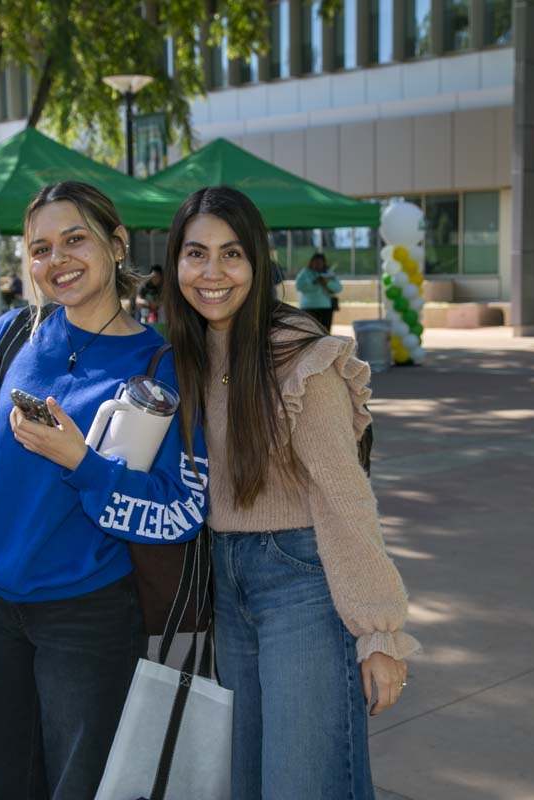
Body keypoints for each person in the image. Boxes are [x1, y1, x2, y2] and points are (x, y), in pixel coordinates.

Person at [0, 181, 207, 800]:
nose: (56, 261)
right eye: (40, 248)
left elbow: (178, 507)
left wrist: (84, 462)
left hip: (89, 612)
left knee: (83, 784)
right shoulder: (8, 339)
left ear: (116, 243)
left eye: (75, 240)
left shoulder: (165, 365)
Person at [162, 186, 419, 800]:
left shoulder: (299, 355)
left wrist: (379, 632)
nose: (213, 273)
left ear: (258, 263)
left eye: (232, 254)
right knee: (248, 782)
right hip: (224, 582)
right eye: (196, 254)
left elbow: (344, 498)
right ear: (175, 264)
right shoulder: (186, 353)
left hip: (300, 582)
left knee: (303, 781)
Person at [294, 251, 342, 332]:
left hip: (326, 308)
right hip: (308, 308)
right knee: (310, 333)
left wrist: (326, 282)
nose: (318, 264)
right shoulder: (305, 273)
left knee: (324, 332)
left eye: (320, 262)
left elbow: (338, 288)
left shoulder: (329, 273)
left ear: (324, 263)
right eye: (316, 262)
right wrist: (316, 283)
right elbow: (299, 286)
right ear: (311, 262)